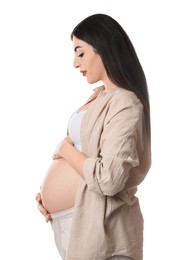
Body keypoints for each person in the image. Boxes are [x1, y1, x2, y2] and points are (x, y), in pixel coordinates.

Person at [35, 13, 151, 260]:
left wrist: (64, 150)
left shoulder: (126, 103)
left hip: (104, 234)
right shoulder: (99, 97)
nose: (75, 63)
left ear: (103, 48)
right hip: (75, 224)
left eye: (80, 52)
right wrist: (48, 199)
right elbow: (85, 155)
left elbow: (109, 179)